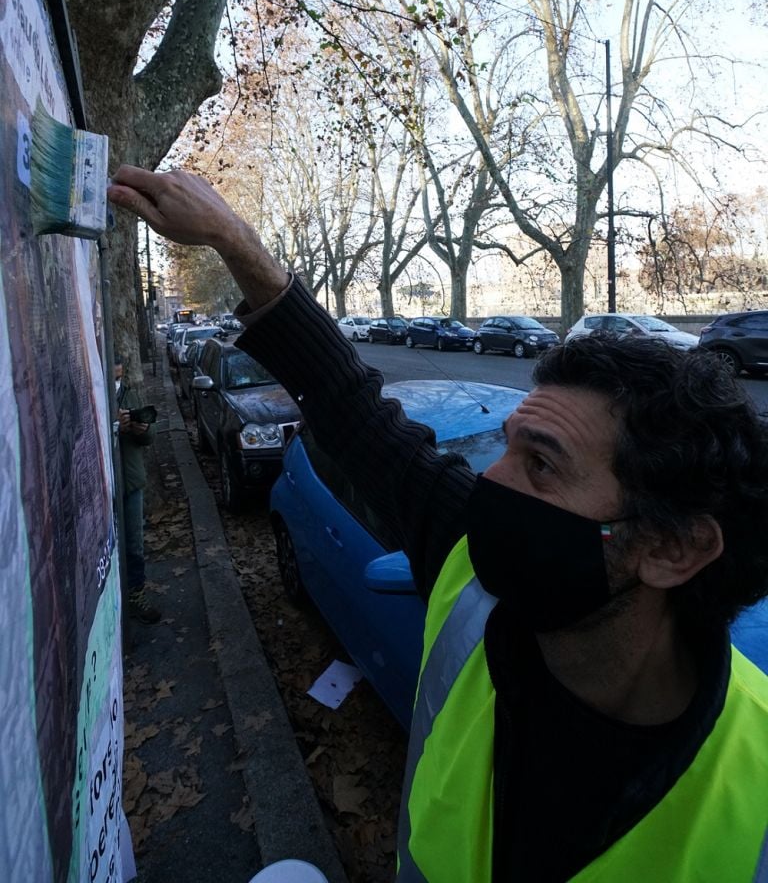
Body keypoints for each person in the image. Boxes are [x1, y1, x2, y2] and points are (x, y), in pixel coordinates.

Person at [107, 166, 768, 882]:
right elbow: (350, 407)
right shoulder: (476, 573)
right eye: (508, 444)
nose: (489, 478)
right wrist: (235, 241)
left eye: (540, 464)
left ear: (675, 547)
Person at [114, 354, 161, 624]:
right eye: (113, 378)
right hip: (103, 486)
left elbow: (150, 437)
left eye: (120, 378)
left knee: (134, 545)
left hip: (131, 482)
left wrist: (140, 429)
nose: (117, 384)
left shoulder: (130, 397)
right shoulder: (93, 396)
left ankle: (136, 597)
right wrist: (114, 426)